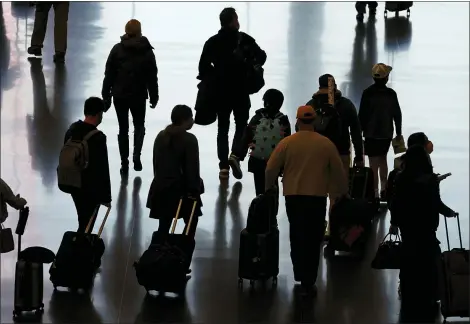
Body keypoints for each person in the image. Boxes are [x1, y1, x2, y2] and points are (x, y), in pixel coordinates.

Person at [265, 105, 348, 296]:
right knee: (313, 238)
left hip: (293, 195)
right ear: (315, 122)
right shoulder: (326, 144)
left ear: (297, 121)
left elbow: (270, 168)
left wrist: (268, 188)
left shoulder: (287, 143)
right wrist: (343, 192)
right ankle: (309, 279)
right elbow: (338, 171)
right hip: (317, 196)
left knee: (297, 235)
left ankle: (299, 273)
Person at [198, 7, 267, 180]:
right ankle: (235, 155)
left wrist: (216, 75)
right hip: (241, 90)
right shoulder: (244, 39)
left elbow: (203, 67)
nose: (238, 22)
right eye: (236, 19)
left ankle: (223, 167)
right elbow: (262, 57)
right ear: (232, 21)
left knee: (222, 128)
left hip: (221, 92)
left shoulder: (212, 42)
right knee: (241, 125)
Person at [390, 145, 457, 323]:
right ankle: (430, 297)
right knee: (430, 263)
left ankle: (408, 295)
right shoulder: (430, 180)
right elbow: (436, 204)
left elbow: (395, 203)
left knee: (409, 262)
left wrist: (394, 223)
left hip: (408, 230)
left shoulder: (400, 179)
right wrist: (450, 213)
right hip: (427, 230)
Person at [101, 19, 159, 175]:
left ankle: (124, 161)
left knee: (123, 129)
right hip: (139, 95)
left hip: (120, 95)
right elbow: (152, 77)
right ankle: (136, 155)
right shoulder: (147, 51)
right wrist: (154, 96)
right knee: (139, 126)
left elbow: (109, 75)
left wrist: (105, 96)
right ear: (140, 31)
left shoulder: (117, 50)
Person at [146, 105, 203, 261]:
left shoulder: (161, 136)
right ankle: (180, 260)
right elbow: (192, 169)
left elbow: (156, 163)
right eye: (191, 118)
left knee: (164, 225)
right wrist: (195, 190)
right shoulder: (189, 140)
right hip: (182, 190)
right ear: (185, 120)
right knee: (190, 224)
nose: (193, 121)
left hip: (161, 187)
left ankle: (160, 259)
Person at [63, 97, 112, 233]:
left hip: (72, 182)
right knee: (87, 222)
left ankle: (79, 244)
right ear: (98, 114)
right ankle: (80, 248)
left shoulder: (71, 130)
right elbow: (102, 169)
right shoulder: (98, 137)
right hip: (90, 187)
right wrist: (106, 197)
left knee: (82, 218)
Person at [230, 88, 291, 195]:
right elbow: (287, 142)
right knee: (272, 187)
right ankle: (272, 208)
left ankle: (260, 205)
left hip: (256, 161)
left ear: (265, 102)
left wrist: (239, 154)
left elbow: (247, 137)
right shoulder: (283, 120)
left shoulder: (257, 117)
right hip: (274, 162)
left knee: (259, 188)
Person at [358, 63, 402, 204]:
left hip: (370, 134)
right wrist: (399, 132)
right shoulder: (391, 94)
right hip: (386, 134)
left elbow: (362, 116)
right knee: (383, 159)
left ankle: (374, 193)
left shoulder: (367, 93)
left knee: (373, 163)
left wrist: (358, 134)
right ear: (386, 78)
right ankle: (384, 189)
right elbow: (397, 114)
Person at [306, 74, 364, 176]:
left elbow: (302, 130)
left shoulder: (311, 104)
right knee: (339, 188)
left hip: (317, 153)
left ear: (319, 87)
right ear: (335, 86)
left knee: (318, 187)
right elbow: (356, 132)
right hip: (341, 152)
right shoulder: (346, 104)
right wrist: (359, 156)